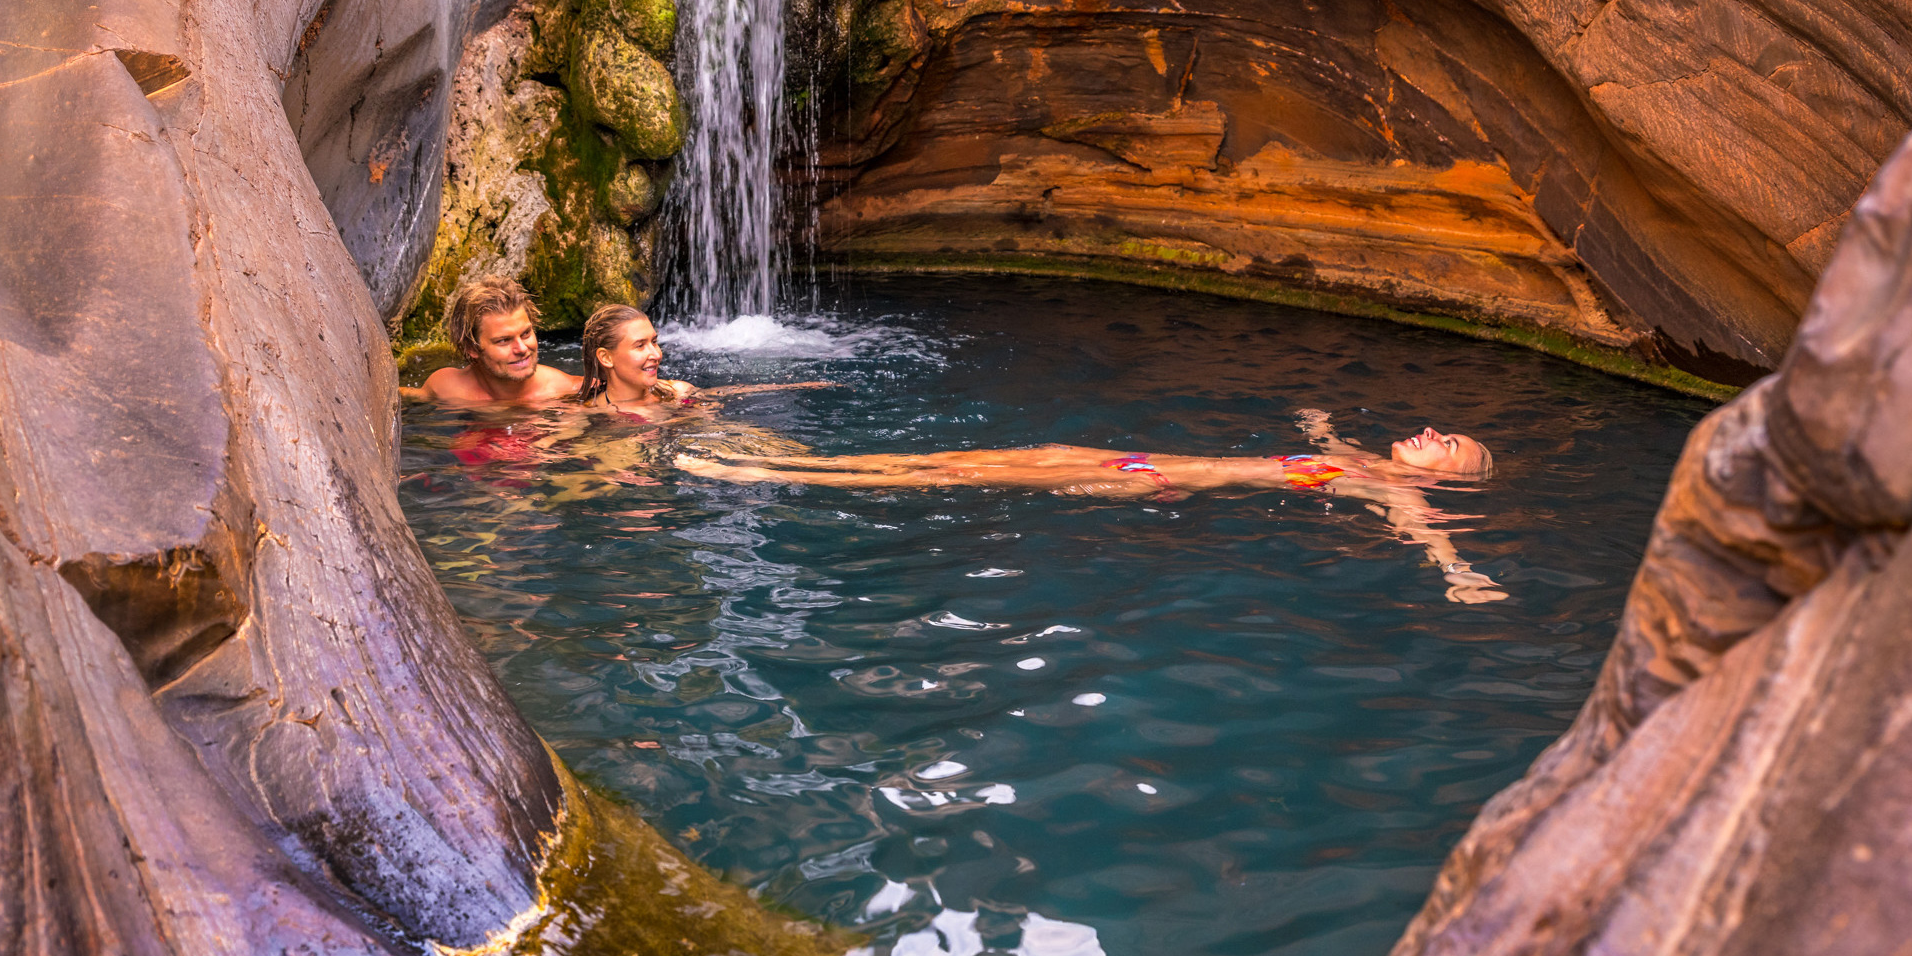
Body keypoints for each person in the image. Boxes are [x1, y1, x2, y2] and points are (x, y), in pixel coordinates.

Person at [675, 409, 1508, 603]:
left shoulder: (1395, 490)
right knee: (963, 459)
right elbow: (1318, 435)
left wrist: (1458, 571)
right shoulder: (1360, 459)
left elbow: (1425, 532)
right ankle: (799, 463)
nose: (1433, 433)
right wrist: (1319, 420)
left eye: (1450, 445)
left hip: (1150, 479)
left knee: (962, 481)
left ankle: (761, 479)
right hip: (1136, 457)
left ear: (1448, 478)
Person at [574, 303, 836, 416]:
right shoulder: (591, 415)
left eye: (654, 341)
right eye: (640, 345)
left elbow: (722, 395)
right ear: (606, 357)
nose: (655, 354)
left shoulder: (676, 392)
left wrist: (796, 387)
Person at [402, 275, 584, 408]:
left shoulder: (566, 390)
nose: (522, 348)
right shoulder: (447, 388)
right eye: (504, 341)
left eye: (526, 333)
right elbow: (402, 397)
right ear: (472, 347)